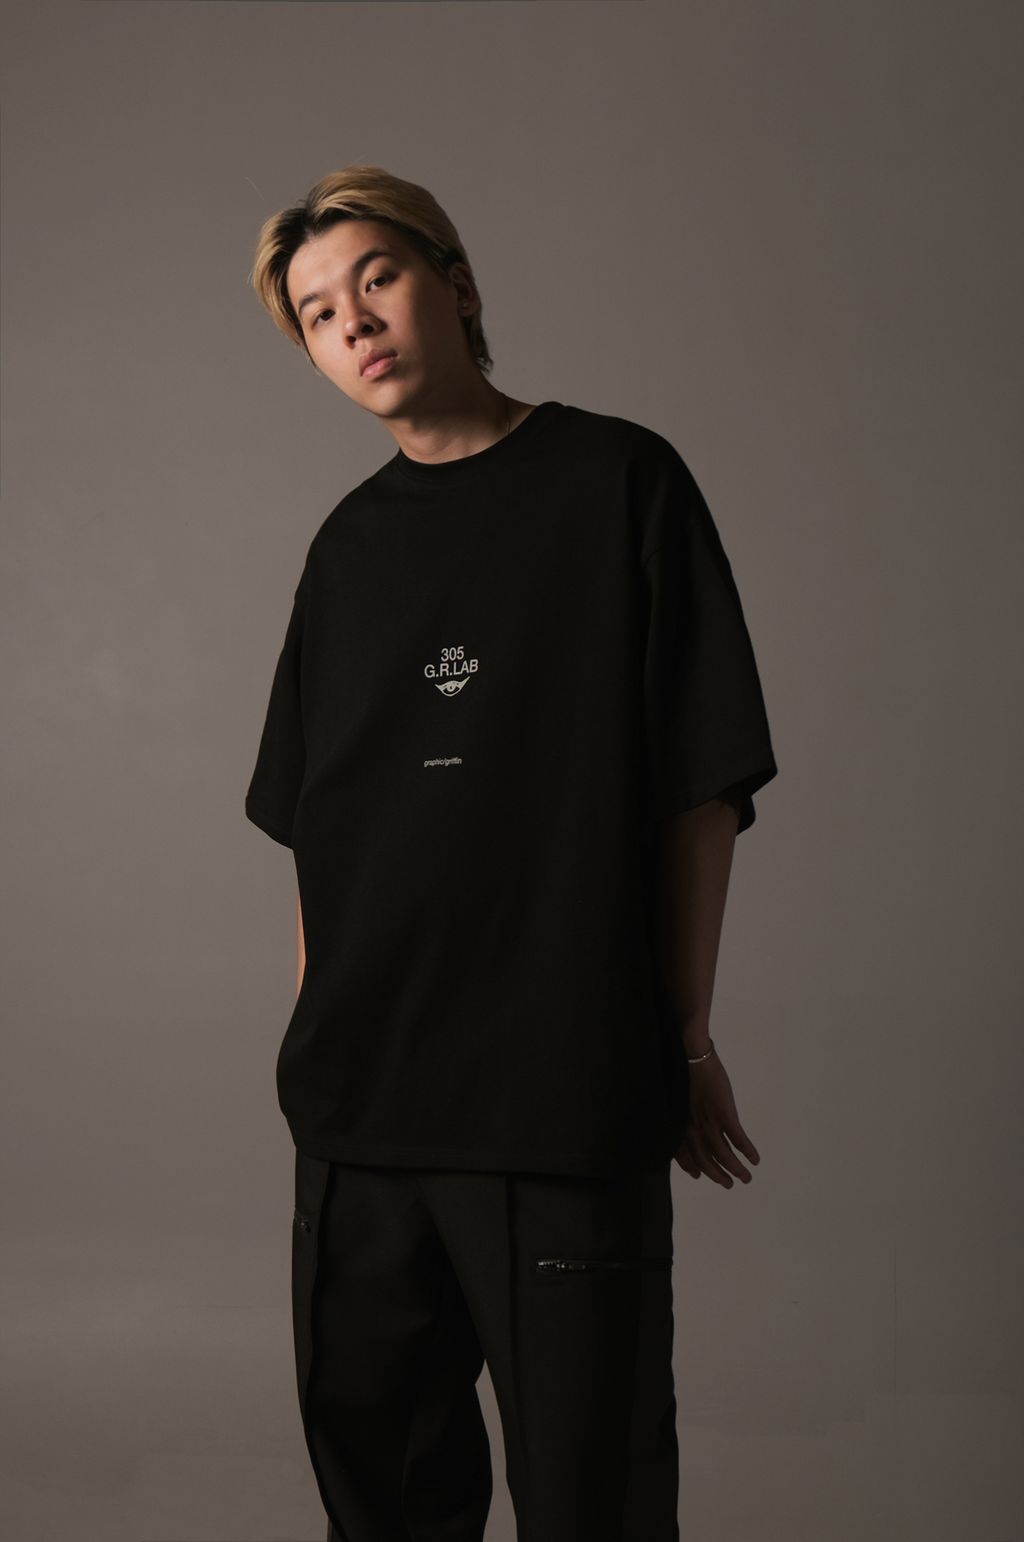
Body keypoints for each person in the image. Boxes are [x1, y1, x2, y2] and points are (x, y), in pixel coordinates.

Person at [244, 165, 778, 1542]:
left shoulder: (621, 482)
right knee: (383, 1506)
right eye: (317, 313)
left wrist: (683, 1034)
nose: (354, 323)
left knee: (595, 1500)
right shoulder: (347, 549)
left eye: (376, 278)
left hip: (560, 1095)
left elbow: (699, 789)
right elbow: (318, 830)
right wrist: (315, 1033)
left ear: (457, 282)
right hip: (361, 1118)